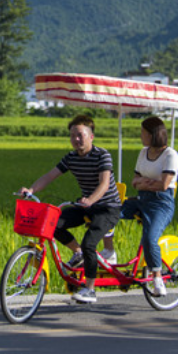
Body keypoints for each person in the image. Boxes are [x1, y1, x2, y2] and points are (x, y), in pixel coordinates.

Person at [20, 114, 121, 304]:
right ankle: (78, 252)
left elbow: (104, 184)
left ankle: (90, 289)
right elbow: (50, 175)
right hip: (85, 205)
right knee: (53, 224)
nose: (76, 140)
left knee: (90, 243)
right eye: (72, 136)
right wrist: (31, 189)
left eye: (80, 135)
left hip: (107, 208)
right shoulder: (71, 158)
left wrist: (91, 199)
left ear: (91, 136)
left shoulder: (102, 155)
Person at [119, 116, 178, 297]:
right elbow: (134, 181)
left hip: (161, 203)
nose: (140, 136)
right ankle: (109, 253)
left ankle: (157, 277)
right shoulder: (143, 152)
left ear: (153, 134)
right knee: (108, 211)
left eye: (143, 133)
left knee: (150, 238)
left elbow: (164, 185)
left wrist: (144, 183)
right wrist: (146, 183)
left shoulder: (170, 155)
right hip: (141, 199)